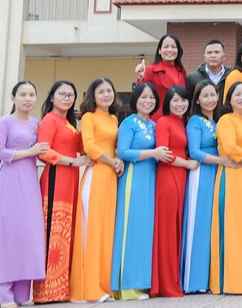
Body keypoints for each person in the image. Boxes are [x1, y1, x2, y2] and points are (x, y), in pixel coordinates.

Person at [0, 80, 47, 308]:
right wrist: (30, 151)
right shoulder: (5, 122)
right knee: (6, 234)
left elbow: (45, 150)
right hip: (9, 181)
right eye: (23, 94)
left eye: (32, 94)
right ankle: (3, 295)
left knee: (27, 235)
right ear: (13, 98)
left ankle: (20, 294)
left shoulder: (36, 124)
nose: (28, 99)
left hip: (29, 182)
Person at [112, 82, 172, 300]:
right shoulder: (129, 123)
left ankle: (142, 283)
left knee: (145, 231)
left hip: (150, 179)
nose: (148, 101)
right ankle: (127, 287)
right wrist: (153, 153)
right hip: (133, 179)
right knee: (131, 228)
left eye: (152, 97)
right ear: (135, 99)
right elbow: (123, 151)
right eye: (143, 97)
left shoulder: (154, 125)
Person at [33, 80, 89, 304]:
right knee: (54, 231)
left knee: (66, 231)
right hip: (56, 178)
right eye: (62, 94)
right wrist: (72, 162)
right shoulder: (49, 119)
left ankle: (63, 288)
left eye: (71, 95)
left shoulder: (68, 122)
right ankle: (46, 291)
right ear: (52, 98)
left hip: (70, 181)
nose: (67, 98)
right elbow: (43, 152)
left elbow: (82, 147)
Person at [70, 78, 122, 303]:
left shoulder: (113, 118)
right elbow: (89, 146)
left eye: (109, 90)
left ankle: (104, 285)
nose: (107, 95)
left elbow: (117, 146)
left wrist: (119, 158)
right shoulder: (88, 117)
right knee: (91, 230)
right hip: (97, 175)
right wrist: (111, 161)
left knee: (106, 231)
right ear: (93, 95)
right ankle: (89, 288)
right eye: (101, 92)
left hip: (111, 178)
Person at [182, 80, 236, 294]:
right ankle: (194, 281)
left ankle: (211, 278)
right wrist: (221, 161)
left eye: (213, 95)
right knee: (200, 225)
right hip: (202, 175)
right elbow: (195, 152)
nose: (210, 99)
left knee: (214, 226)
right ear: (197, 100)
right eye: (205, 96)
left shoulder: (219, 121)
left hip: (218, 175)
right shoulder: (195, 121)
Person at [211, 81, 242, 295]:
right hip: (230, 176)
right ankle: (228, 282)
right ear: (229, 99)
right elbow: (230, 148)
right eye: (237, 94)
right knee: (231, 228)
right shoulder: (226, 120)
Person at [151, 85, 198, 298]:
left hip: (180, 177)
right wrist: (187, 164)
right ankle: (165, 283)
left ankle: (175, 279)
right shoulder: (163, 122)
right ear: (168, 102)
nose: (180, 104)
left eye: (184, 100)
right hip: (168, 177)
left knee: (177, 227)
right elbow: (164, 154)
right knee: (167, 229)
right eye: (175, 100)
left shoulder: (182, 122)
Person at [134, 34, 186, 120]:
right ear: (159, 51)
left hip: (180, 120)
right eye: (166, 47)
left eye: (173, 47)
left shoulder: (181, 71)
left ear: (178, 50)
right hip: (159, 120)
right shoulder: (151, 70)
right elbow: (140, 93)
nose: (170, 50)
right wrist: (141, 77)